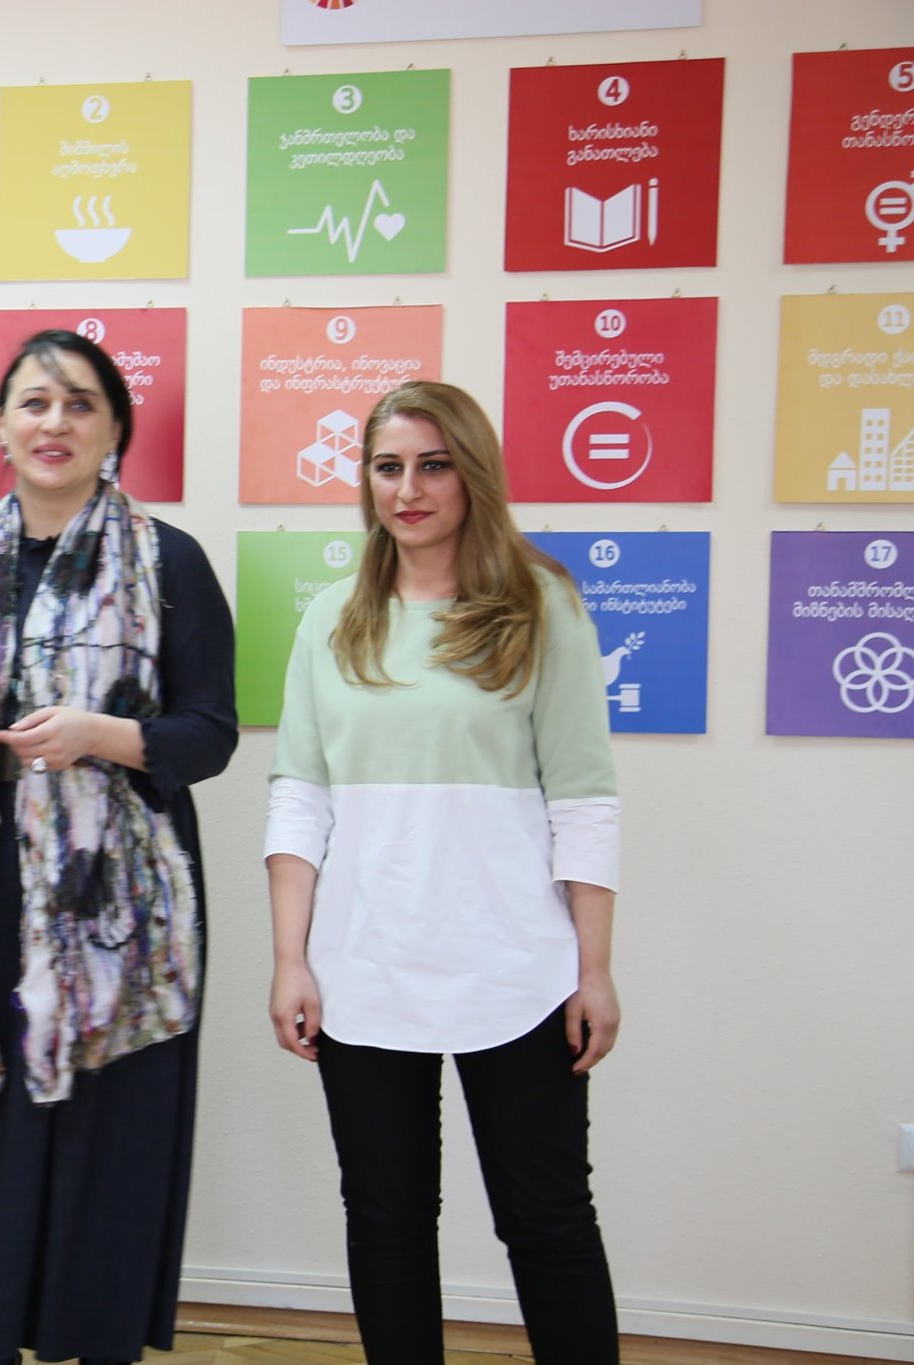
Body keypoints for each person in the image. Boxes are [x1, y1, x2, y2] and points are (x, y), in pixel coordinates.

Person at [0, 330, 238, 1364]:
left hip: (112, 924)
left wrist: (101, 737)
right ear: (0, 426)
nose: (54, 423)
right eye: (33, 403)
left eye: (80, 404)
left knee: (101, 1154)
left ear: (116, 429)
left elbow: (209, 733)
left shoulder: (167, 561)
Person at [263, 380, 622, 1364]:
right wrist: (290, 960)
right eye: (387, 467)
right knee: (385, 1220)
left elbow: (583, 800)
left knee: (545, 1220)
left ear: (473, 474)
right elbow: (299, 797)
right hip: (365, 970)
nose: (408, 490)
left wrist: (593, 970)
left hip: (517, 970)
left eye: (433, 465)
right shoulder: (332, 618)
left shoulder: (541, 607)